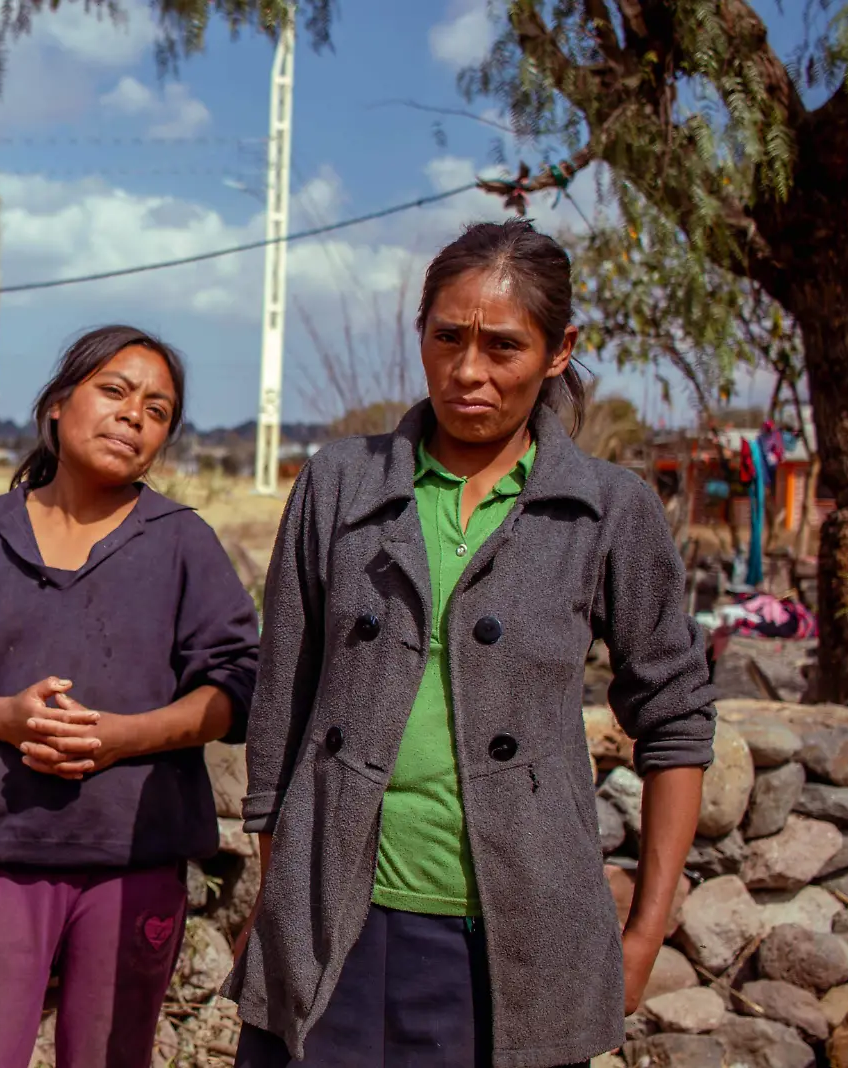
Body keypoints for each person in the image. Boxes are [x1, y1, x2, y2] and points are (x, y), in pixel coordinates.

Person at [225, 220, 715, 1068]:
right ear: (420, 331)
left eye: (503, 346)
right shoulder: (340, 484)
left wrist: (645, 934)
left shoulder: (609, 511)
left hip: (514, 937)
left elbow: (674, 719)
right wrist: (283, 899)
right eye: (447, 337)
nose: (468, 372)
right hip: (333, 922)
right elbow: (282, 705)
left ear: (560, 350)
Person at [0, 325, 260, 1068]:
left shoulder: (182, 543)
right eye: (115, 392)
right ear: (57, 405)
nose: (134, 417)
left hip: (134, 862)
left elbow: (237, 688)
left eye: (157, 411)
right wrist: (3, 716)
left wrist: (127, 736)